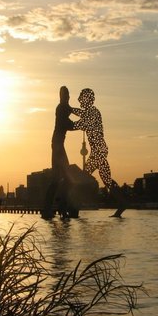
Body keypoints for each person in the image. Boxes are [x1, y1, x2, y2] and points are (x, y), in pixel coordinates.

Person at [71, 88, 126, 217]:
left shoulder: (94, 113)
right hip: (99, 150)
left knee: (83, 178)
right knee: (106, 179)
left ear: (88, 99)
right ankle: (122, 203)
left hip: (98, 152)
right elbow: (81, 114)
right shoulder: (91, 112)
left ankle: (75, 208)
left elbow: (80, 124)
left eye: (82, 98)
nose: (79, 100)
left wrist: (67, 120)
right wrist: (70, 109)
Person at [42, 86, 75, 219]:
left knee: (58, 179)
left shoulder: (64, 107)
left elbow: (74, 114)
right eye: (65, 95)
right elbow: (67, 124)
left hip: (58, 144)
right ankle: (58, 207)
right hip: (57, 145)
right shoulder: (61, 108)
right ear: (61, 96)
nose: (67, 97)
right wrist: (83, 124)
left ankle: (53, 208)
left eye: (67, 94)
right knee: (65, 179)